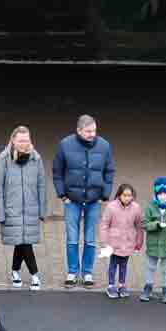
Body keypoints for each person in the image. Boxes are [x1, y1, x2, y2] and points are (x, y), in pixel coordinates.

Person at [52, 115, 114, 287]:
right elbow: (57, 171)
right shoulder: (65, 145)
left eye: (94, 130)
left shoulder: (104, 146)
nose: (92, 134)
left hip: (94, 200)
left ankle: (87, 273)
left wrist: (104, 195)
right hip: (72, 200)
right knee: (72, 238)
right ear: (78, 131)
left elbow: (109, 171)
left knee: (90, 239)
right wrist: (62, 195)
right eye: (88, 131)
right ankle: (72, 272)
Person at [0, 128, 48, 290]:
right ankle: (34, 274)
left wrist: (42, 210)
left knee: (22, 242)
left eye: (26, 140)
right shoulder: (3, 159)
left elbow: (41, 184)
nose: (24, 144)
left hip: (30, 209)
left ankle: (15, 271)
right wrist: (0, 212)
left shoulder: (36, 158)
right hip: (12, 210)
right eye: (21, 140)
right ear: (13, 141)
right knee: (24, 242)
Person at [100, 182, 142, 302]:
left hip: (128, 242)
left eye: (129, 195)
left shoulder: (136, 208)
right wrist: (104, 242)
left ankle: (122, 285)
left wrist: (139, 242)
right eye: (125, 195)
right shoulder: (111, 207)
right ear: (119, 195)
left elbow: (139, 226)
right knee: (113, 264)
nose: (127, 198)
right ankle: (111, 285)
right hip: (114, 242)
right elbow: (104, 225)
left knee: (124, 265)